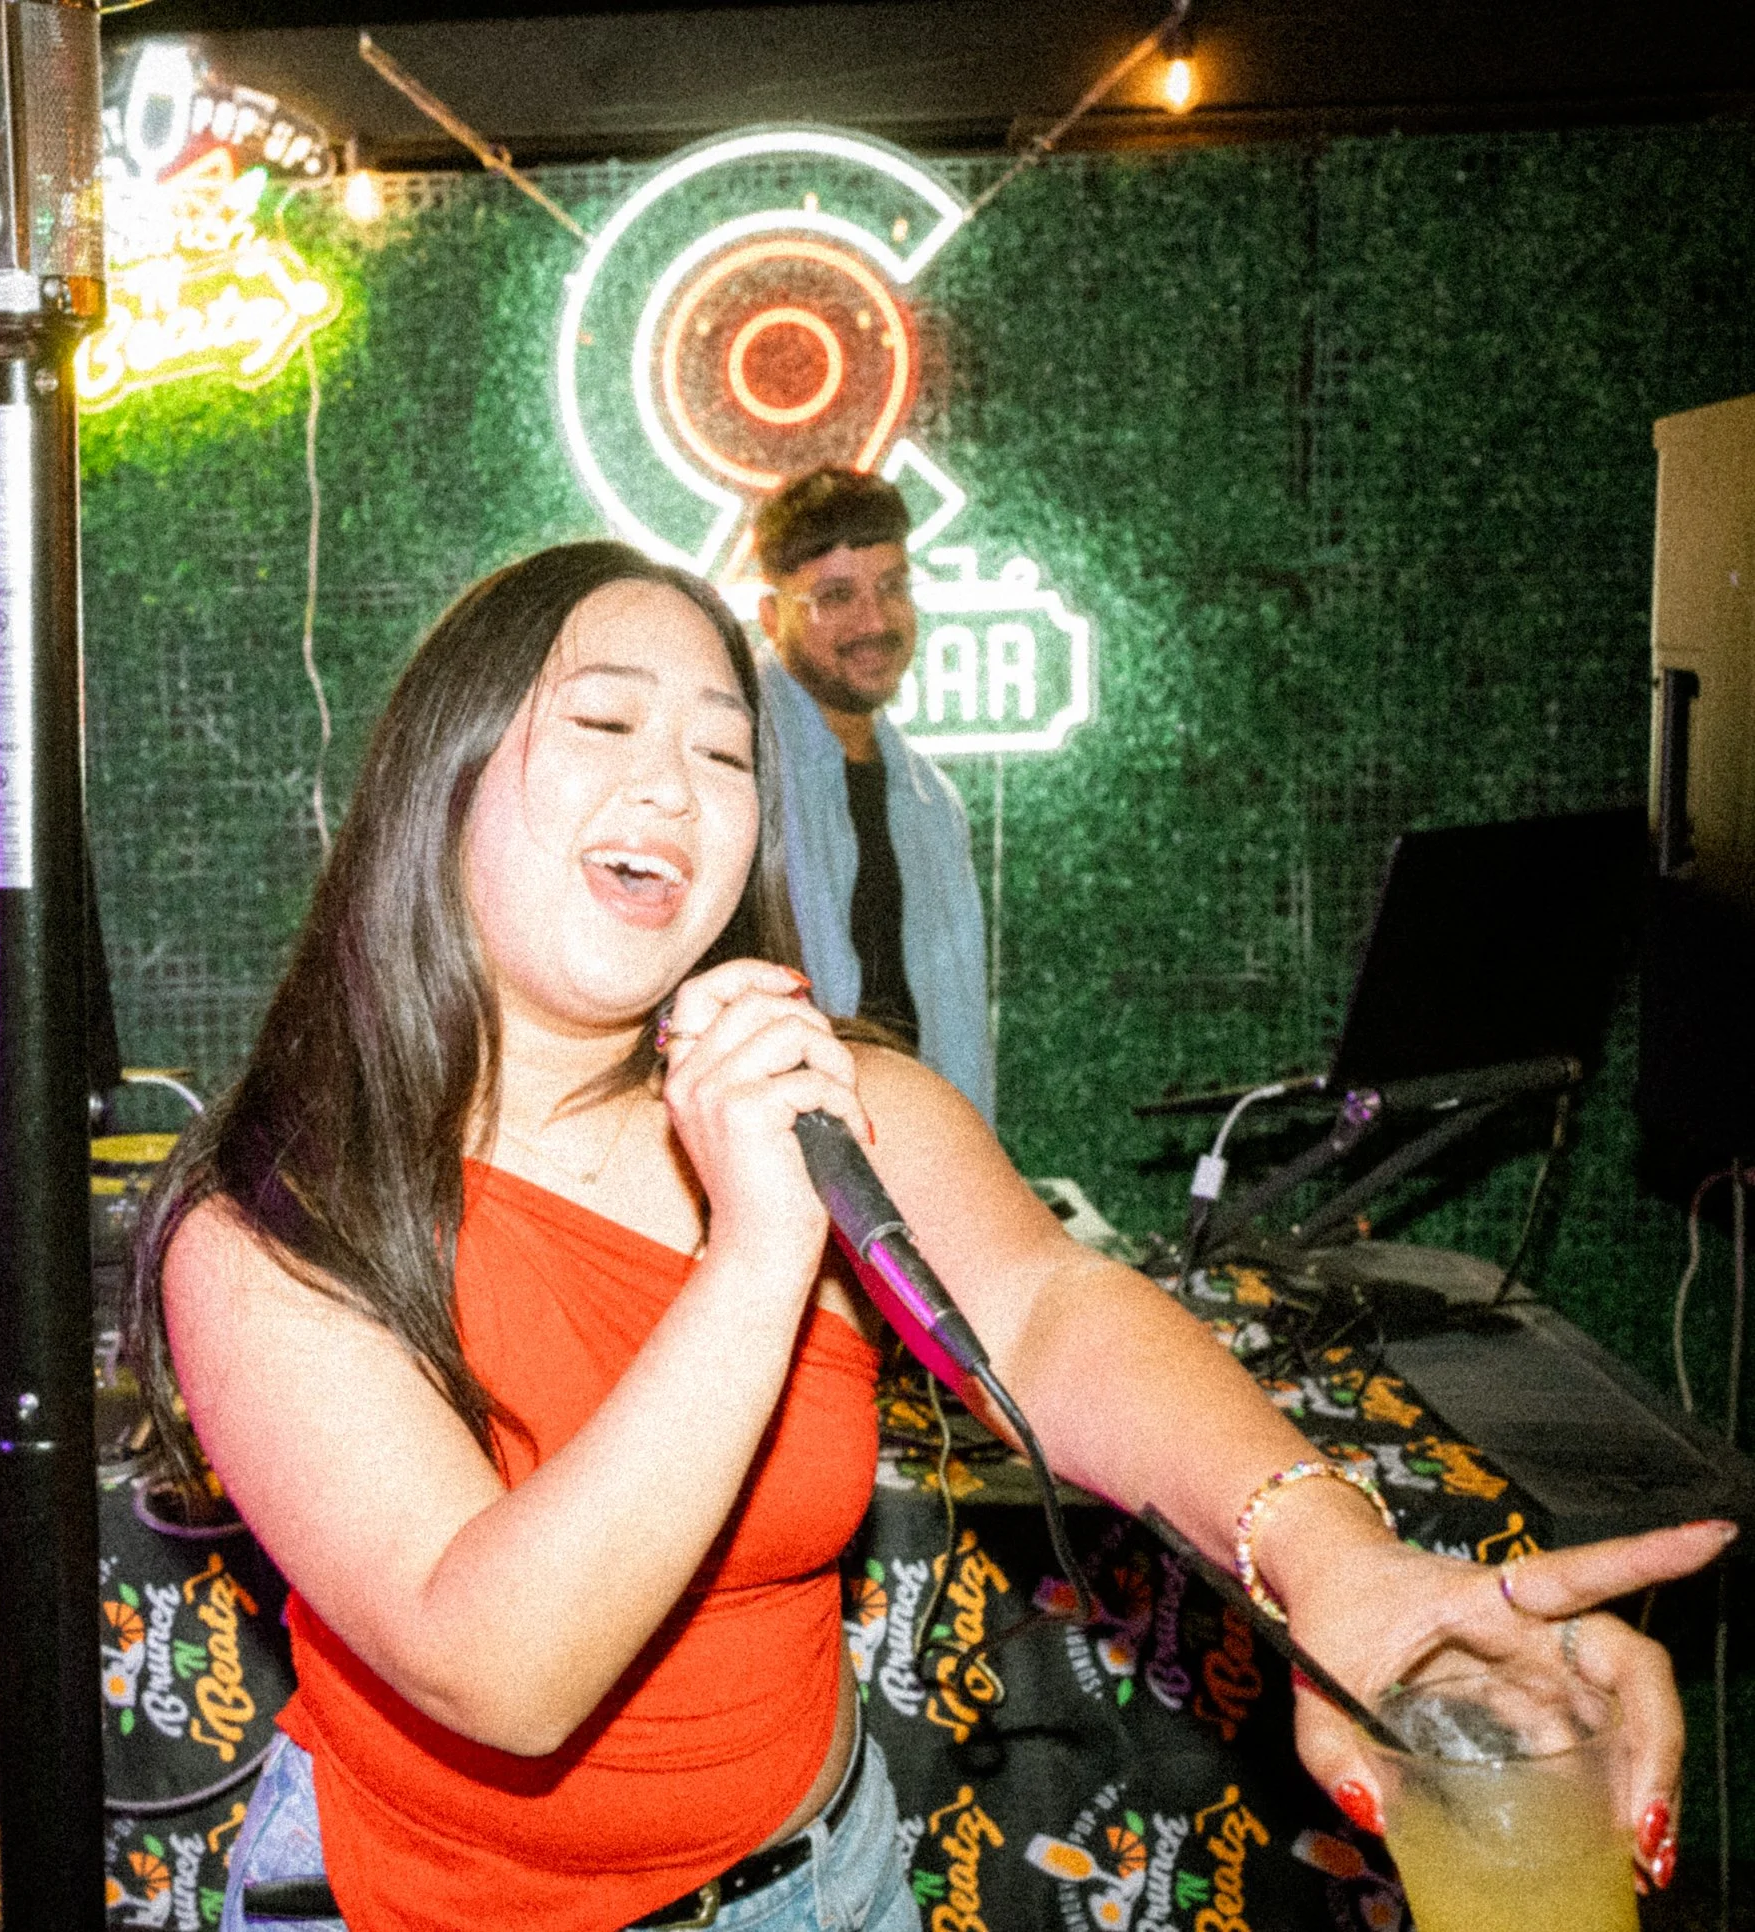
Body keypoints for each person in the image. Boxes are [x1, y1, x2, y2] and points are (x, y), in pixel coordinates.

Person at [130, 541, 1722, 1932]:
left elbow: (1043, 1311)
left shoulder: (828, 1090)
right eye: (606, 723)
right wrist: (761, 1247)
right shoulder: (273, 1222)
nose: (675, 787)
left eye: (727, 753)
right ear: (443, 776)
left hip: (823, 1883)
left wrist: (1338, 1565)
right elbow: (504, 1668)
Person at [754, 468, 992, 1121]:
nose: (875, 620)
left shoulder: (932, 806)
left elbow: (960, 1046)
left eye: (893, 587)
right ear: (771, 615)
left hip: (912, 1173)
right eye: (835, 596)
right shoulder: (731, 767)